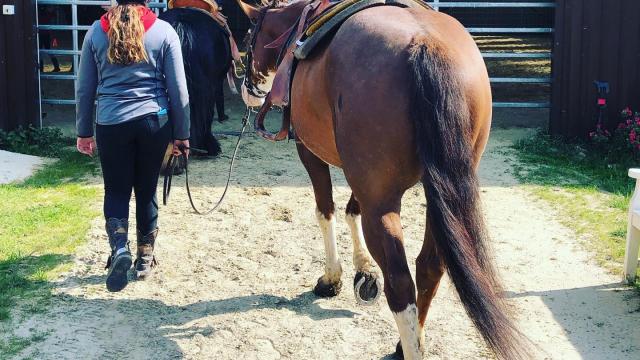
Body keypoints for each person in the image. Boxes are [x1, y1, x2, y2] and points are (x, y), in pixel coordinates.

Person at [76, 0, 190, 292]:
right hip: (154, 121)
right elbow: (178, 88)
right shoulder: (164, 31)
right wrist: (182, 134)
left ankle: (119, 248)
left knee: (115, 189)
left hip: (112, 122)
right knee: (147, 187)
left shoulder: (95, 32)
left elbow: (85, 87)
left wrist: (84, 132)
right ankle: (144, 258)